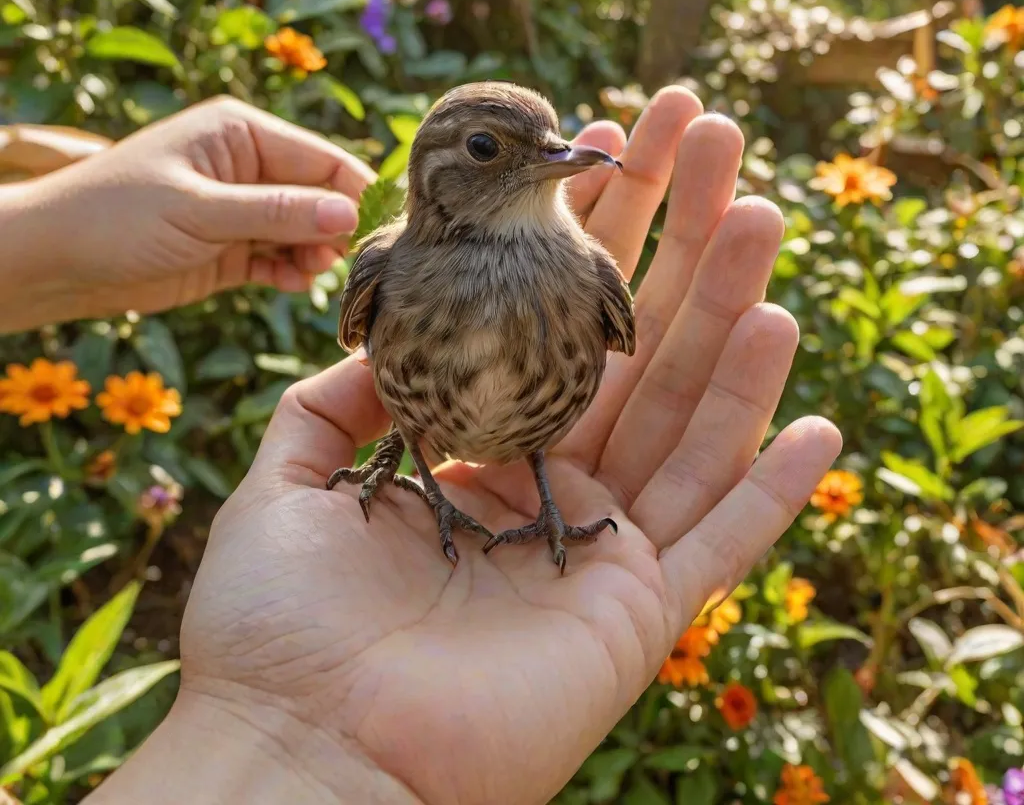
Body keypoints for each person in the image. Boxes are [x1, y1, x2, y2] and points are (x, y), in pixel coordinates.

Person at [0, 90, 841, 804]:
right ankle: (421, 478)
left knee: (544, 463)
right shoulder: (389, 270)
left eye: (549, 145)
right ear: (438, 181)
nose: (557, 161)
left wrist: (547, 501)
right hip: (421, 429)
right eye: (488, 151)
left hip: (539, 438)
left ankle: (544, 506)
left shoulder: (589, 277)